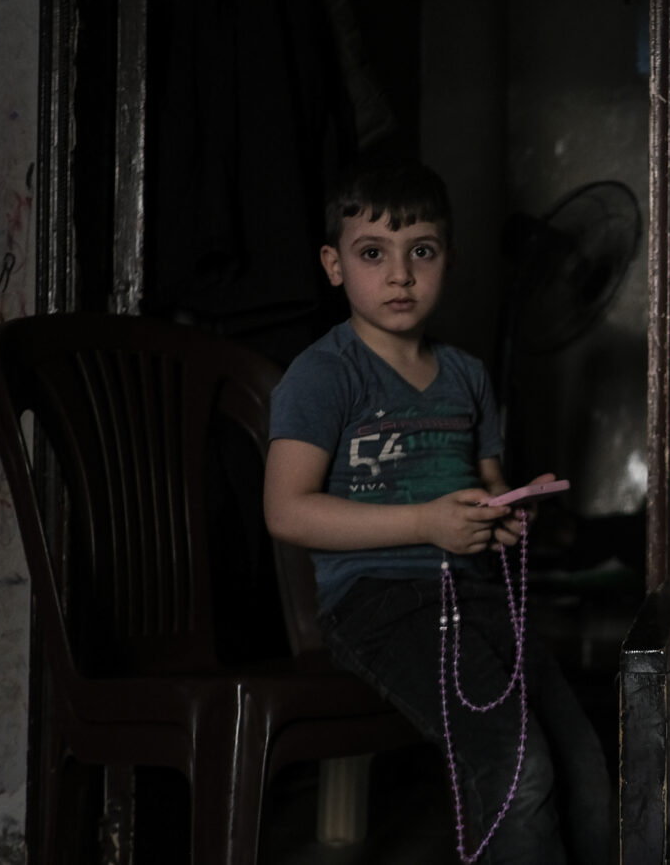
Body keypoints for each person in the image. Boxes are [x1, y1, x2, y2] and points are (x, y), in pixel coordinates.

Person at [264, 159, 610, 864]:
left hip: (473, 596)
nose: (400, 275)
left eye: (420, 251)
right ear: (334, 265)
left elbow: (484, 487)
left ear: (447, 260)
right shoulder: (325, 375)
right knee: (519, 772)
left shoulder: (465, 376)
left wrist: (510, 513)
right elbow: (286, 511)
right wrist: (424, 523)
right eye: (372, 253)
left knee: (591, 771)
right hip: (379, 604)